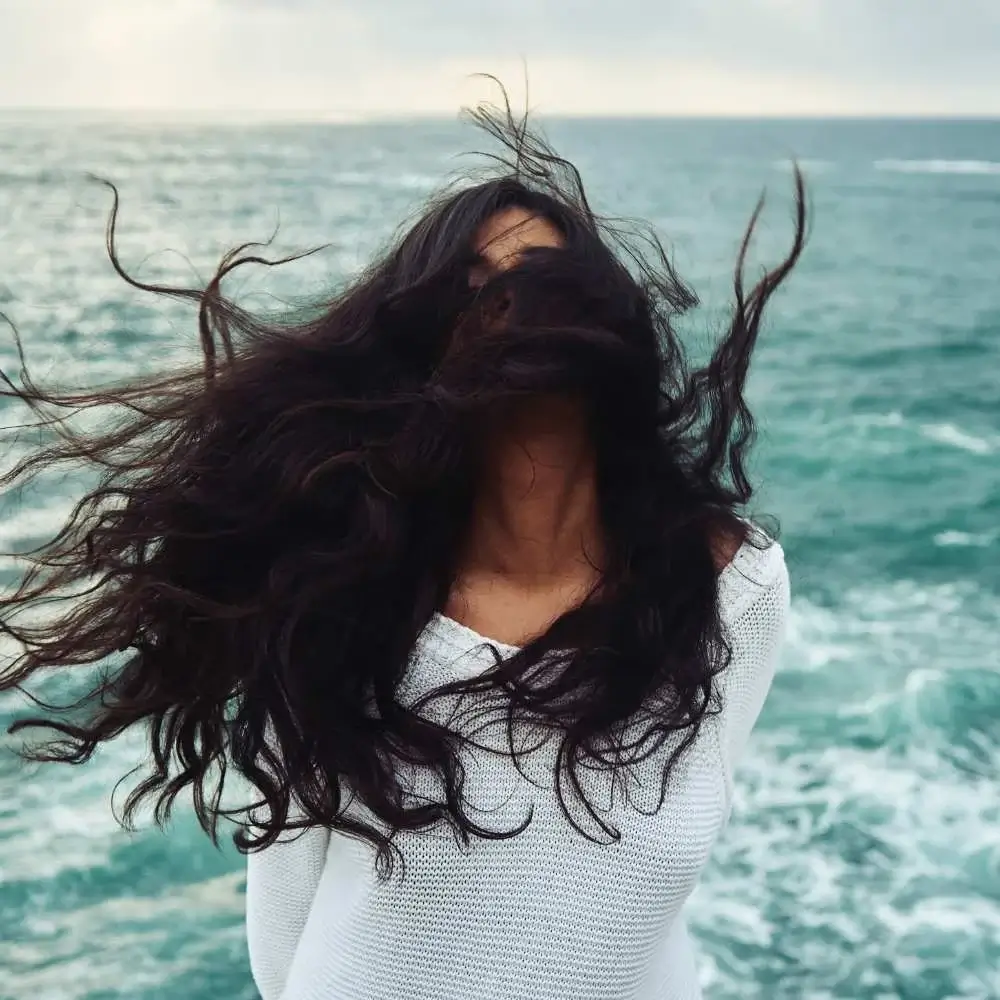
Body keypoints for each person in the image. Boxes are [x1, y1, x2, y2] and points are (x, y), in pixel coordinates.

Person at [0, 88, 804, 999]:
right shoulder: (346, 592)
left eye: (533, 278)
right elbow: (288, 909)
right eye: (470, 290)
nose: (506, 304)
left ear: (606, 316)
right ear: (422, 347)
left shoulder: (732, 588)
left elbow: (650, 888)